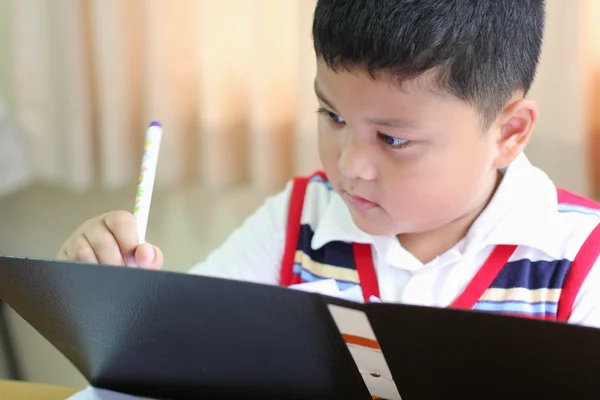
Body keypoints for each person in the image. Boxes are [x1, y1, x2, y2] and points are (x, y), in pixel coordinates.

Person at [57, 0, 600, 328]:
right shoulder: (300, 220)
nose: (350, 165)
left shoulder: (579, 262)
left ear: (509, 132)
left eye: (392, 138)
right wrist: (114, 296)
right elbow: (175, 347)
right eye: (332, 115)